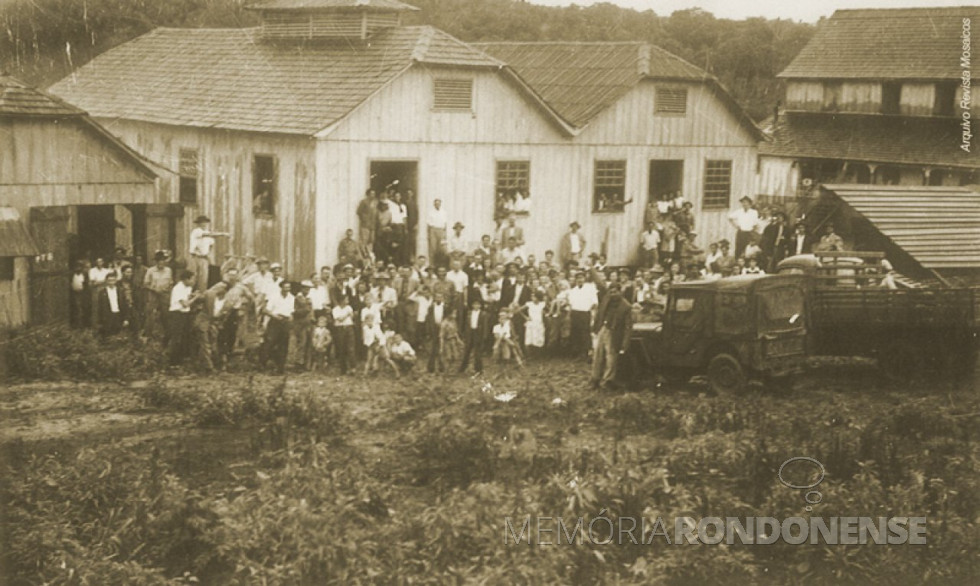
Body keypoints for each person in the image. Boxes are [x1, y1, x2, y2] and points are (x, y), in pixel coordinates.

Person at [590, 282, 633, 390]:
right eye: (611, 292)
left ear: (620, 292)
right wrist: (596, 327)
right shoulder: (606, 299)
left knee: (611, 359)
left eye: (615, 292)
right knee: (597, 356)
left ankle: (606, 381)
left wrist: (624, 344)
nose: (613, 294)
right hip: (603, 329)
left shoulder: (626, 306)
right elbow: (600, 313)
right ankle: (594, 380)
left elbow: (628, 327)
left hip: (614, 334)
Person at [195, 281, 231, 372]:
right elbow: (197, 299)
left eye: (220, 287)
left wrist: (218, 323)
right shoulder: (209, 294)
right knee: (205, 344)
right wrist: (195, 295)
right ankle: (209, 367)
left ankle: (202, 365)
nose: (217, 288)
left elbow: (224, 316)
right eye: (217, 285)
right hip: (203, 322)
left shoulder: (228, 303)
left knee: (213, 345)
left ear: (225, 290)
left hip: (214, 324)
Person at [260, 280, 294, 374]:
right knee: (269, 342)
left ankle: (280, 367)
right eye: (285, 287)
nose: (287, 289)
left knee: (283, 345)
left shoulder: (291, 297)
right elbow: (265, 310)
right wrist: (275, 316)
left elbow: (291, 311)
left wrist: (290, 317)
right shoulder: (274, 296)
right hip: (275, 321)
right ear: (281, 287)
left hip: (285, 322)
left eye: (289, 287)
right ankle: (263, 364)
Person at [189, 215, 229, 292]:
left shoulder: (208, 233)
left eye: (205, 223)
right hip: (195, 257)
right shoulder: (196, 231)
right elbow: (208, 235)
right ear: (198, 224)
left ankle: (200, 297)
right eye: (202, 223)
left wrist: (207, 254)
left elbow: (211, 244)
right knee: (193, 278)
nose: (204, 224)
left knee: (203, 280)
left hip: (204, 258)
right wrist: (222, 234)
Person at [168, 270, 198, 366]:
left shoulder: (188, 287)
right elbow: (185, 304)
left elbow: (187, 298)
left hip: (185, 314)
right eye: (192, 279)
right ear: (186, 279)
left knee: (185, 336)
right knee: (177, 338)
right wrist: (196, 298)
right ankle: (173, 362)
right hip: (177, 314)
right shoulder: (178, 288)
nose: (194, 281)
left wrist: (192, 296)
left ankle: (181, 360)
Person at [567, 271, 598, 357]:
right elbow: (570, 303)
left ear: (584, 279)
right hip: (575, 313)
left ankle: (586, 352)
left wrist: (591, 314)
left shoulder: (590, 289)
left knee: (585, 332)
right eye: (578, 278)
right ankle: (577, 351)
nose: (580, 280)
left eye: (581, 278)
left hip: (585, 313)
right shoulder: (573, 290)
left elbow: (595, 303)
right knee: (575, 332)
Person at [458, 298, 490, 375]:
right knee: (467, 351)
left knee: (477, 353)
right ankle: (462, 368)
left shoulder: (483, 314)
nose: (476, 306)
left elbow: (485, 326)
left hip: (478, 334)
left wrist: (484, 336)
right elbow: (466, 325)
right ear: (472, 306)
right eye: (474, 304)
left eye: (478, 305)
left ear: (480, 306)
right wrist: (465, 334)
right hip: (470, 333)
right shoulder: (469, 313)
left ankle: (479, 369)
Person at [96, 272, 129, 338]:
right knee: (108, 335)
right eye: (109, 280)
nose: (111, 282)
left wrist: (126, 319)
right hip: (108, 316)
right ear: (106, 281)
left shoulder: (120, 291)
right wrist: (100, 321)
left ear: (116, 281)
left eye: (113, 280)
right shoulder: (102, 292)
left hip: (118, 315)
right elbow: (100, 307)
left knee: (118, 335)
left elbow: (125, 305)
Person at [332, 295, 356, 375]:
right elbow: (340, 319)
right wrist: (347, 315)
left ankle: (353, 368)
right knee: (342, 349)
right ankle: (343, 369)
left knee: (351, 348)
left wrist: (348, 315)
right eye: (346, 299)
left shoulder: (349, 307)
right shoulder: (335, 309)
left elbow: (352, 317)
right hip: (340, 329)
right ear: (341, 301)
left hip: (349, 328)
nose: (347, 300)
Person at [424, 291, 448, 373]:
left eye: (440, 297)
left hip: (442, 329)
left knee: (442, 349)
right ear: (434, 298)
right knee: (433, 349)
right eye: (437, 297)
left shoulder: (446, 308)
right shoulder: (431, 308)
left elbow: (448, 320)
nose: (438, 299)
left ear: (443, 298)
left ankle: (442, 367)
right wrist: (428, 332)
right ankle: (431, 368)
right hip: (433, 329)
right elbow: (428, 320)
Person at [427, 198, 448, 265]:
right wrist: (429, 234)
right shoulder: (431, 212)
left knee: (441, 249)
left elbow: (445, 224)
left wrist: (445, 234)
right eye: (436, 204)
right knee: (433, 249)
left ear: (440, 204)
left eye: (438, 203)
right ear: (434, 204)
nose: (437, 205)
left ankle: (440, 265)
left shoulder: (443, 212)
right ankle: (432, 265)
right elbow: (428, 225)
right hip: (433, 230)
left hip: (441, 230)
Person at [69, 261, 90, 329]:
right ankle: (76, 325)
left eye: (79, 267)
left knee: (83, 308)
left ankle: (83, 325)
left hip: (82, 294)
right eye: (76, 267)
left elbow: (86, 284)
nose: (78, 268)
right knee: (76, 308)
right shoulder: (72, 274)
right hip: (74, 294)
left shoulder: (84, 274)